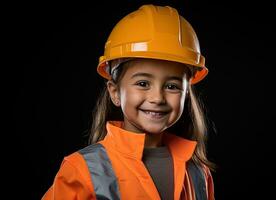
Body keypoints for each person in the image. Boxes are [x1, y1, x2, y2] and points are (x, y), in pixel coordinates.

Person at [42, 4, 215, 200]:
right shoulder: (82, 169)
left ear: (186, 94)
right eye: (143, 83)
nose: (157, 98)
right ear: (115, 92)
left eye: (172, 86)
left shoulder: (198, 172)